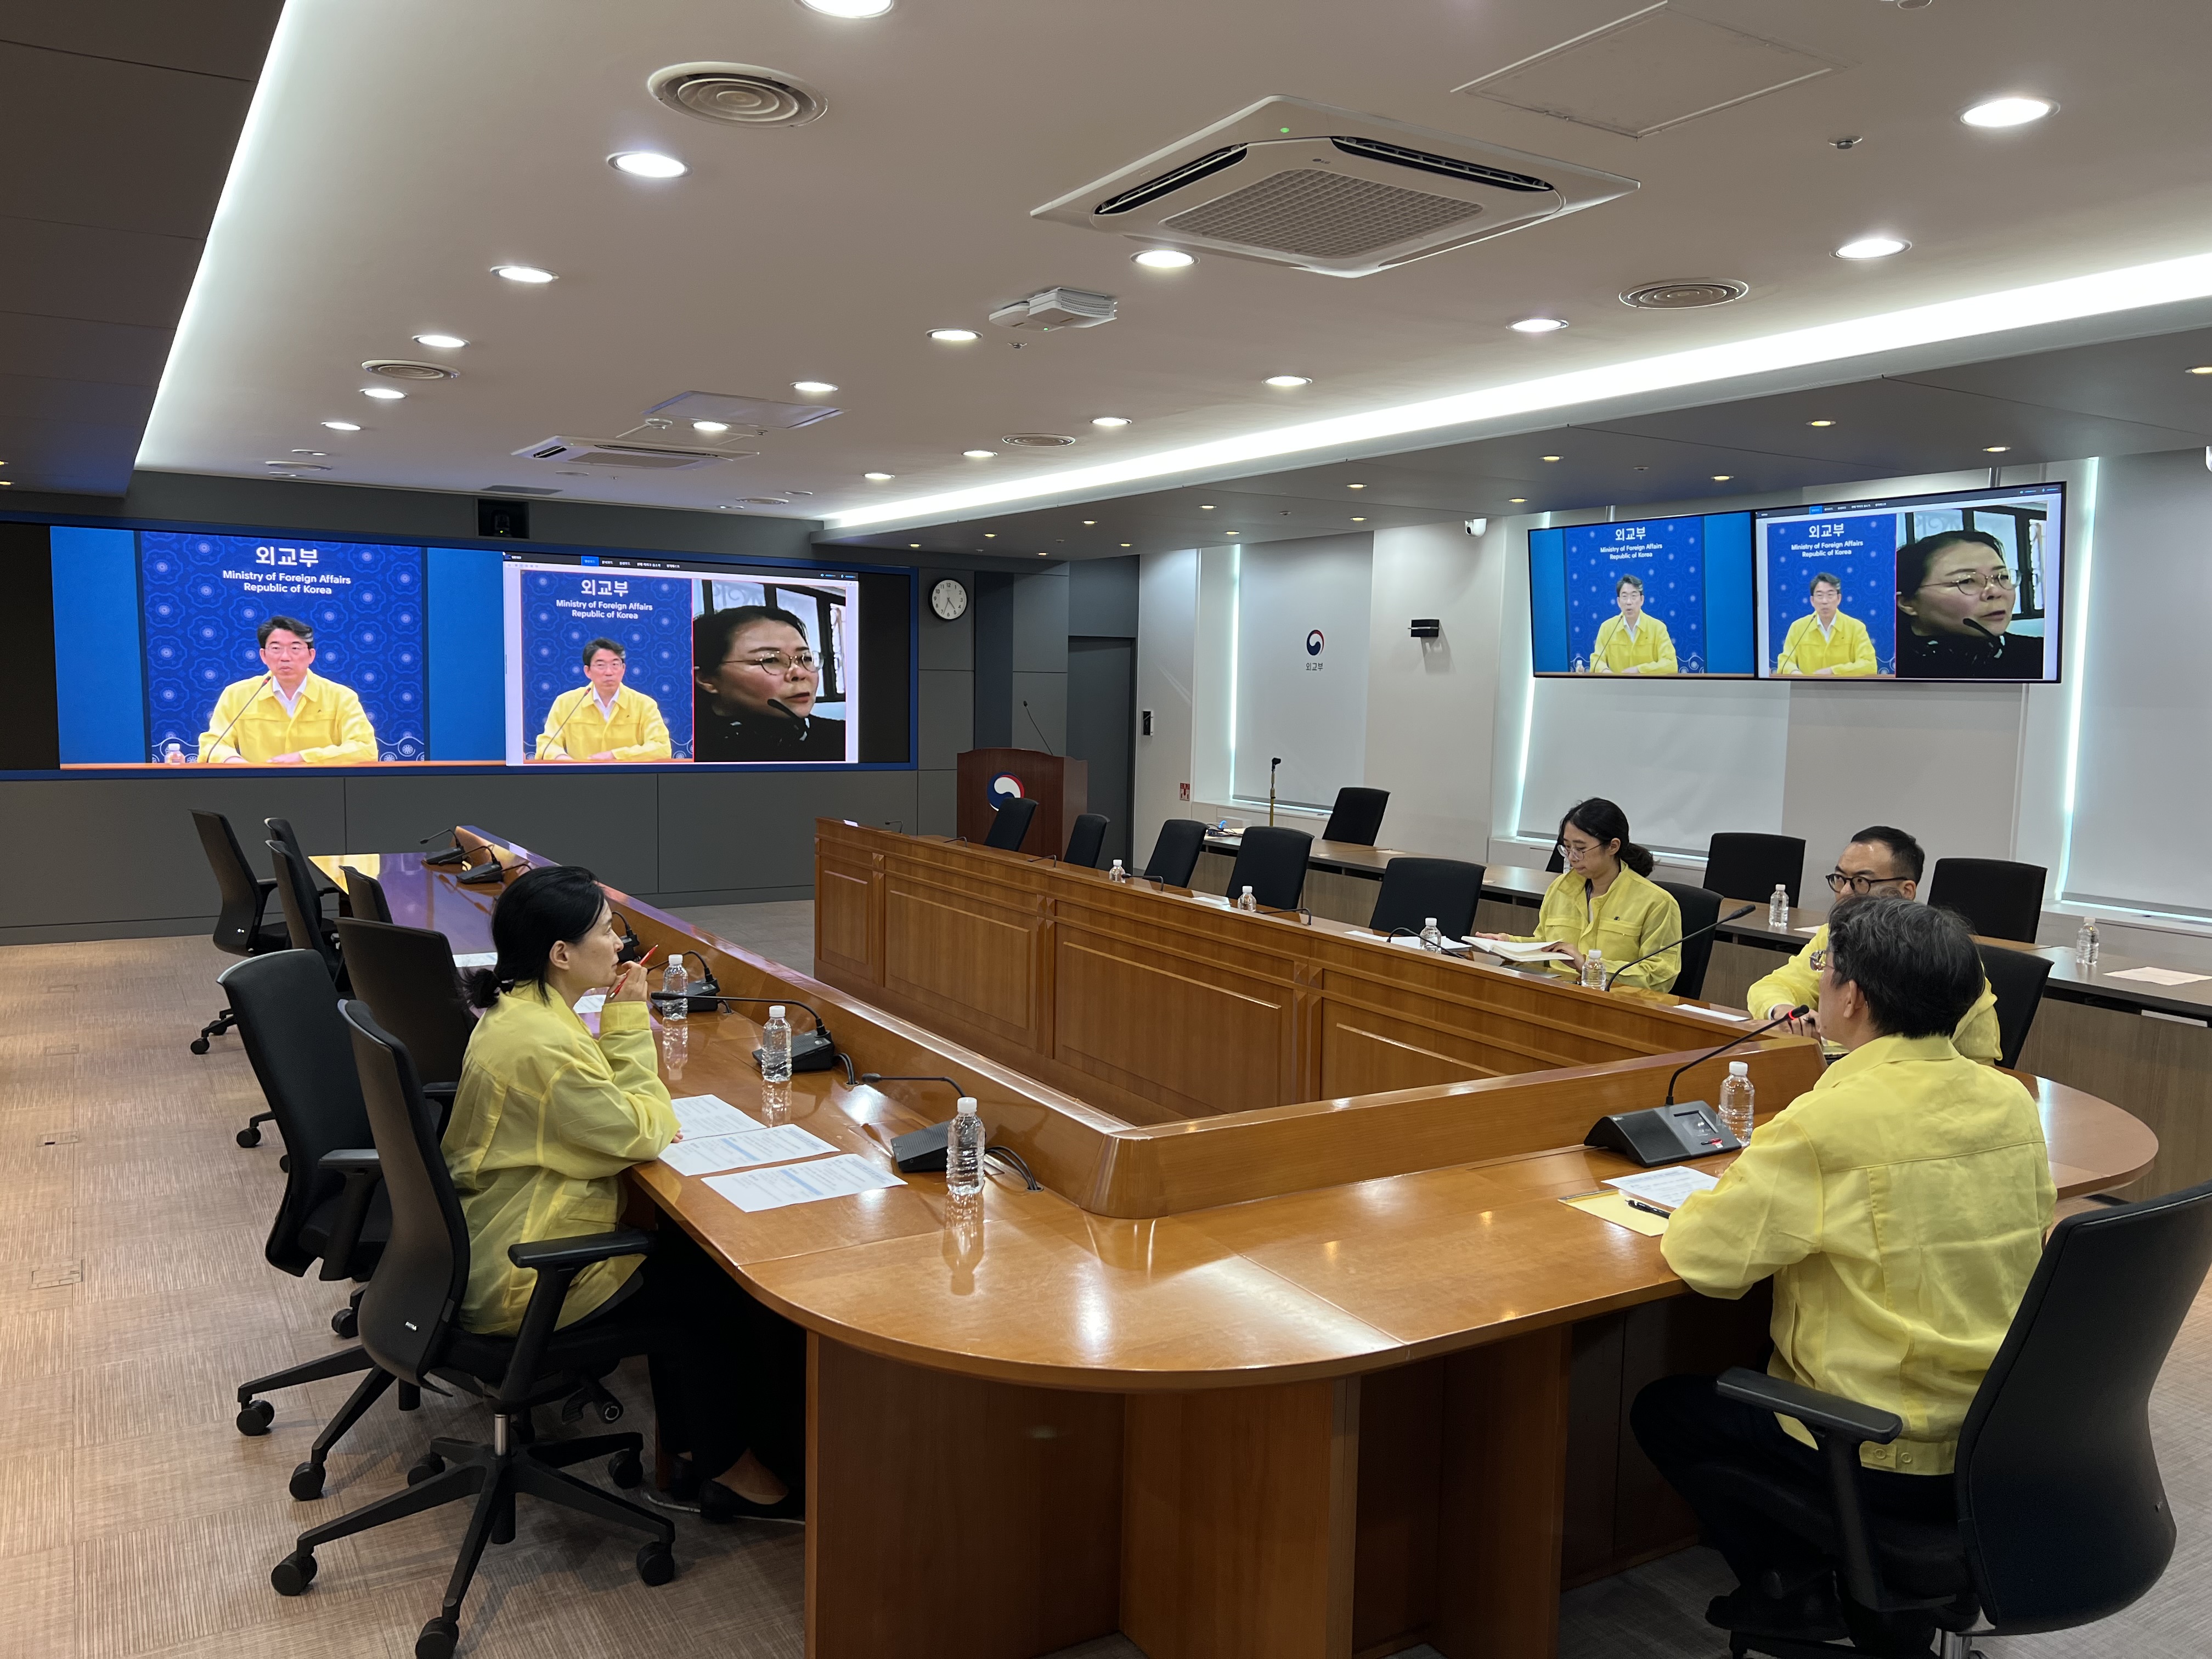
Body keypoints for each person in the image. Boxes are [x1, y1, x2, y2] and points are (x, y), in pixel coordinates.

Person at [1632, 897, 2054, 1647]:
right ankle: (1843, 1581)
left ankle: (1796, 1589)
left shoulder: (1828, 1119)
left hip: (1878, 1448)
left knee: (1668, 1409)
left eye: (1824, 971)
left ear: (1851, 997)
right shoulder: (2012, 1105)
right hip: (1997, 1436)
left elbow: (1706, 1261)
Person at [451, 866, 804, 1521]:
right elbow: (645, 1129)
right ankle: (730, 1469)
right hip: (525, 1269)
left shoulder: (523, 1012)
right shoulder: (544, 1045)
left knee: (689, 1263)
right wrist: (628, 1020)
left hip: (497, 1233)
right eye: (606, 931)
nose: (620, 944)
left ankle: (699, 1455)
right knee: (712, 1288)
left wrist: (620, 1031)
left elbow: (610, 1109)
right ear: (561, 954)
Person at [1748, 826, 2000, 1062]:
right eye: (1840, 878)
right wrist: (1785, 1013)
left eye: (1861, 881)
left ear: (1906, 891)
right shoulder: (1837, 934)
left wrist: (1818, 1034)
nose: (1845, 893)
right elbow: (1774, 985)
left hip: (1950, 1081)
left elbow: (1905, 1045)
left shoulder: (1936, 951)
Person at [1476, 798, 1683, 990]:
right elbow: (1547, 948)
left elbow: (1659, 975)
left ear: (1613, 846)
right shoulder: (1561, 888)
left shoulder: (1656, 902)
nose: (1572, 858)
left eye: (1580, 849)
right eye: (1567, 848)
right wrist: (1509, 944)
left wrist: (1589, 966)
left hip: (1617, 1004)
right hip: (1560, 994)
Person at [174, 614, 378, 765]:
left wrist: (304, 758)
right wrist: (238, 764)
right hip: (256, 791)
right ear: (263, 656)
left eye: (295, 648)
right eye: (276, 648)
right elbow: (212, 745)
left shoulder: (341, 697)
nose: (285, 657)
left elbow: (365, 749)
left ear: (311, 656)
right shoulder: (237, 695)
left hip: (324, 792)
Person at [692, 605, 847, 761]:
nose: (800, 673)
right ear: (707, 679)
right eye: (770, 660)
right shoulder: (686, 752)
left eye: (806, 658)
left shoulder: (847, 739)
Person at [1894, 529, 2044, 679]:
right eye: (1966, 581)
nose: (1995, 592)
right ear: (1908, 603)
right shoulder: (1888, 666)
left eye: (2003, 577)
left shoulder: (2043, 657)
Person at [534, 637, 673, 763]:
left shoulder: (644, 705)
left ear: (623, 669)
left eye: (615, 665)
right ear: (588, 671)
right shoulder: (566, 703)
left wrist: (615, 755)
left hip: (629, 779)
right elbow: (547, 744)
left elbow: (662, 748)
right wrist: (566, 761)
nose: (609, 672)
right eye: (601, 665)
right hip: (580, 778)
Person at [1773, 571, 1878, 677]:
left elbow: (1870, 665)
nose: (1825, 601)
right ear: (1812, 601)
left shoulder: (1856, 628)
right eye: (1820, 595)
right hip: (1808, 687)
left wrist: (1834, 671)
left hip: (1845, 687)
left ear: (1839, 599)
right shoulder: (1798, 628)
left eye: (1830, 595)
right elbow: (1785, 662)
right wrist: (1796, 675)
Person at [1588, 574, 1678, 675]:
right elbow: (1596, 661)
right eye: (1624, 597)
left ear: (1642, 600)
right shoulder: (1607, 628)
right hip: (1617, 685)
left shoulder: (1658, 628)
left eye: (1634, 596)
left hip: (1649, 685)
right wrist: (1607, 673)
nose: (1629, 602)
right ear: (1619, 602)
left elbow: (1671, 664)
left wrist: (1640, 670)